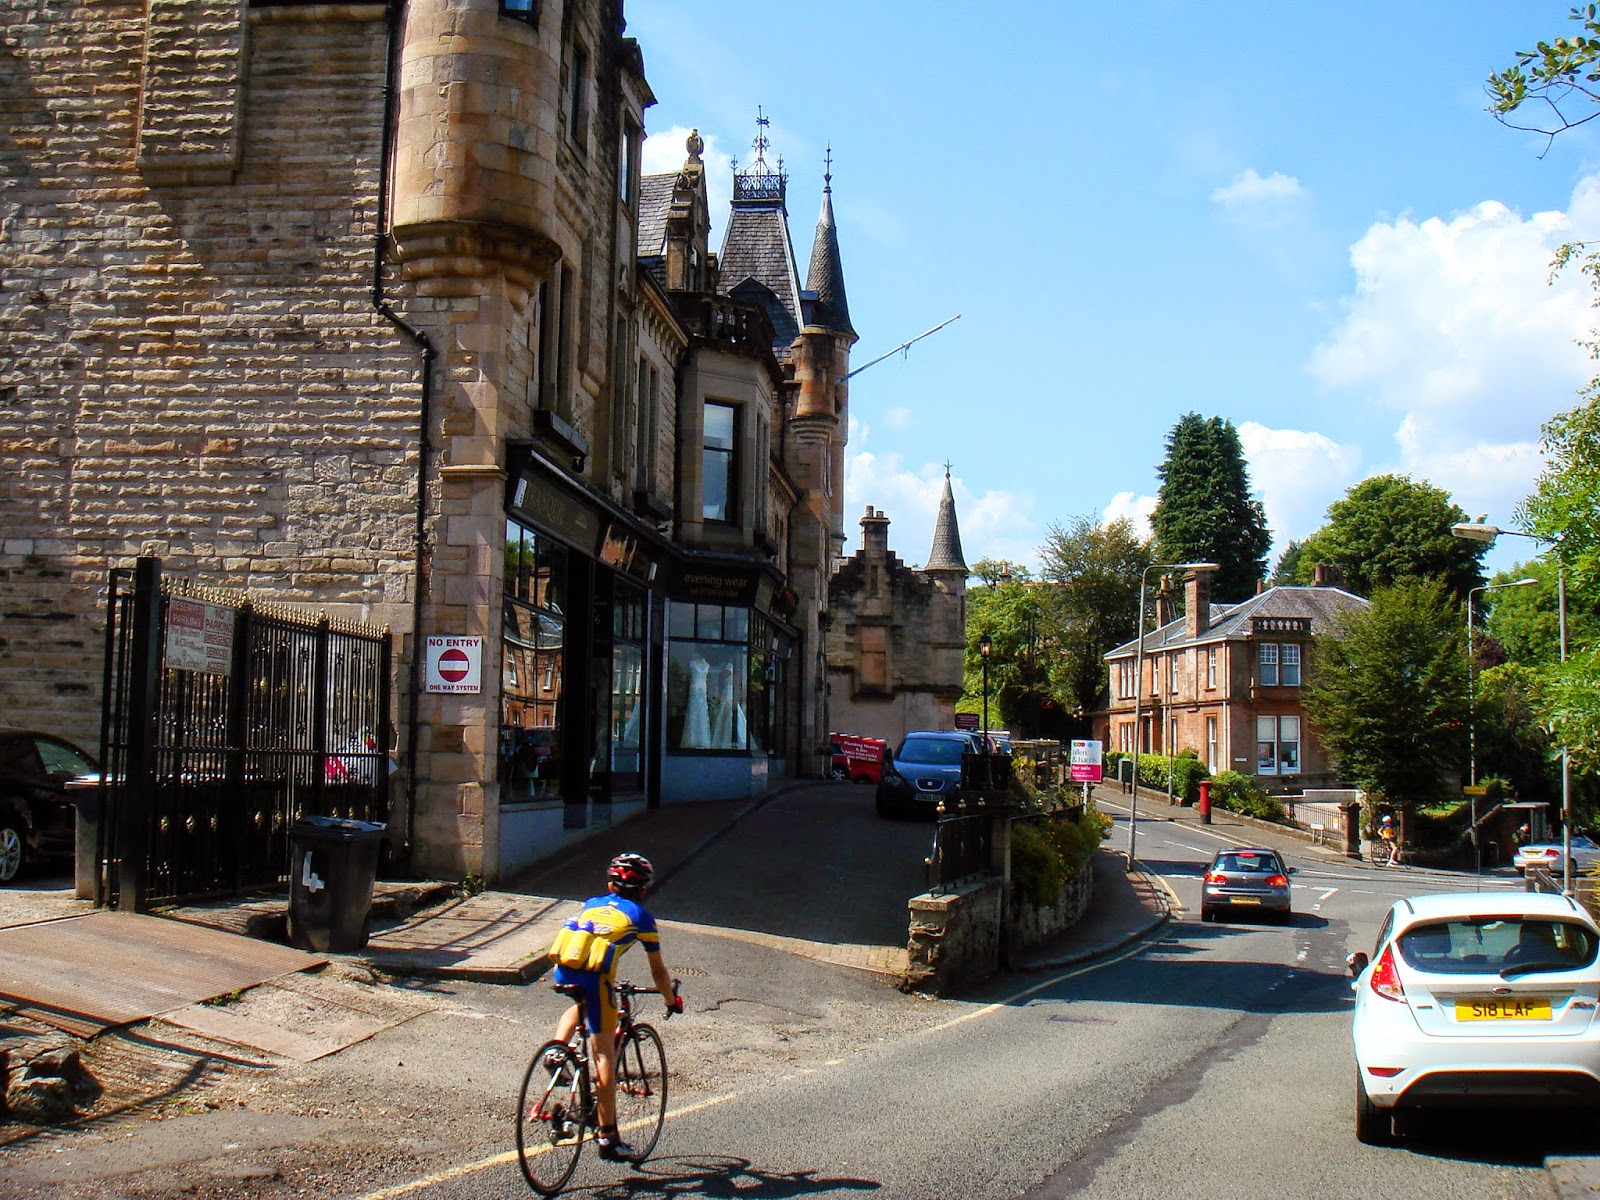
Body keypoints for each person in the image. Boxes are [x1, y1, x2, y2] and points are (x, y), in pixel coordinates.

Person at [547, 852, 683, 1161]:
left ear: (610, 885)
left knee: (580, 1002)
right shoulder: (641, 917)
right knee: (604, 1054)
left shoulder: (592, 903)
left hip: (564, 970)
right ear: (643, 890)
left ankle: (557, 1049)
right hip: (598, 980)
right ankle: (608, 1137)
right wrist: (669, 999)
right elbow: (658, 972)